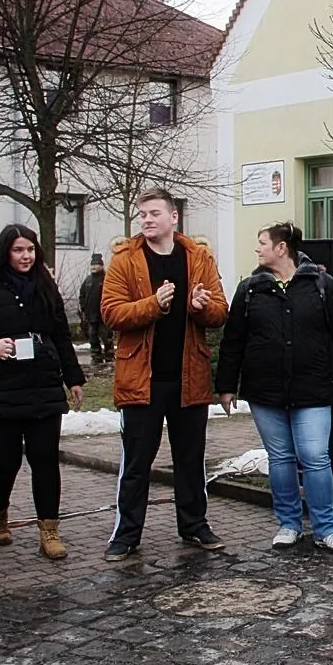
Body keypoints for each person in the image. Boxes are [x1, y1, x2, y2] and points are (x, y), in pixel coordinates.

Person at [216, 221, 333, 553]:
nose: (257, 249)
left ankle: (327, 528)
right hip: (264, 391)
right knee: (281, 458)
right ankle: (289, 524)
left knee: (315, 456)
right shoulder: (250, 289)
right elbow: (234, 340)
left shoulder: (321, 284)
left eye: (262, 242)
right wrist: (226, 385)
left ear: (281, 247)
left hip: (311, 388)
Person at [100, 188, 228, 561]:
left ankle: (194, 526)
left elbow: (220, 311)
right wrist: (152, 305)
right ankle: (126, 534)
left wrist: (201, 308)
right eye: (142, 214)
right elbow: (111, 312)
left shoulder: (198, 256)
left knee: (190, 459)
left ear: (174, 218)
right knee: (137, 462)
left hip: (189, 376)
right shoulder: (125, 258)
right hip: (143, 378)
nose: (147, 220)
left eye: (154, 213)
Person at [0, 224, 85, 560]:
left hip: (42, 387)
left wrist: (73, 378)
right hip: (0, 390)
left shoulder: (45, 286)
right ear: (5, 252)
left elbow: (62, 336)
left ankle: (49, 530)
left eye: (30, 250)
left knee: (45, 460)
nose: (25, 256)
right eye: (18, 250)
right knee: (5, 462)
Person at [78, 252, 113, 367]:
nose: (94, 267)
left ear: (102, 266)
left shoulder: (107, 278)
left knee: (106, 336)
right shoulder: (88, 280)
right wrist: (83, 308)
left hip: (104, 314)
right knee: (92, 336)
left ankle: (109, 356)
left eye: (97, 264)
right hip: (91, 314)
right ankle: (96, 356)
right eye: (92, 265)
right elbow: (82, 294)